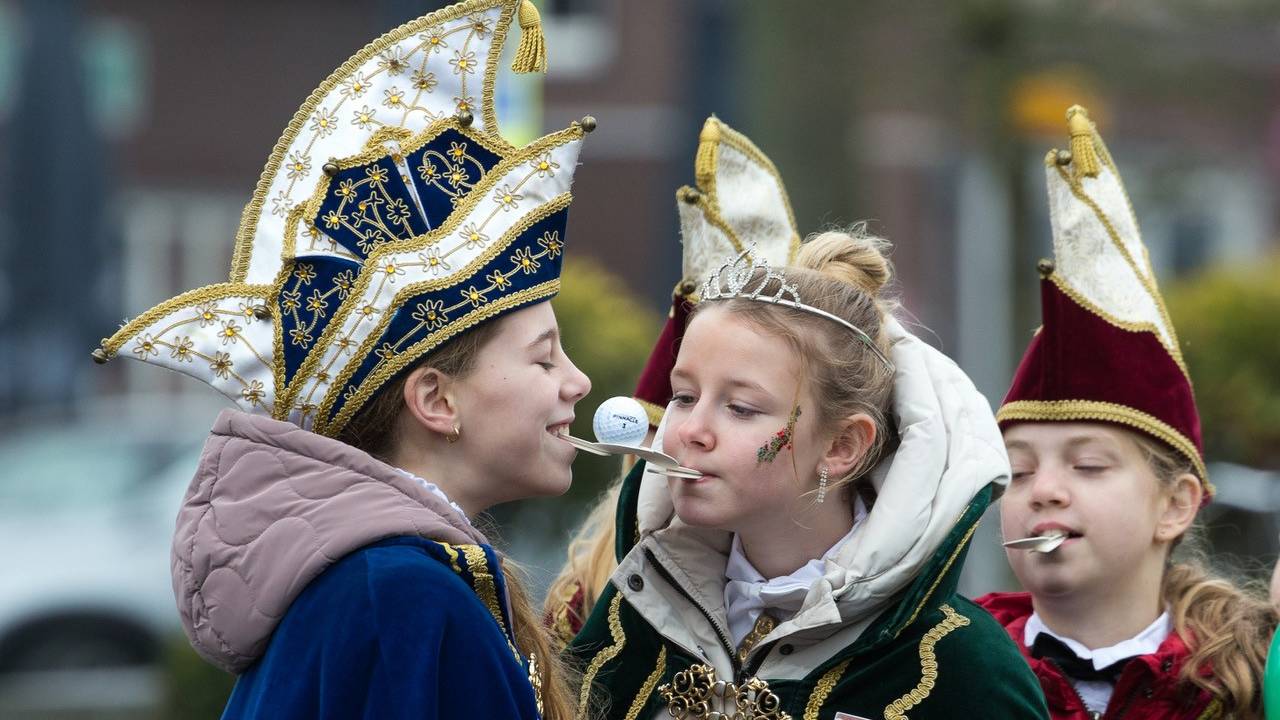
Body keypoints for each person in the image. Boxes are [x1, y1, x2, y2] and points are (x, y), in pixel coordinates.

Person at [93, 1, 597, 717]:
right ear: (436, 400)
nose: (577, 381)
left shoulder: (388, 580)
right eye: (545, 361)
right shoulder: (402, 597)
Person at [563, 117, 1047, 720]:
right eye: (684, 397)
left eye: (740, 407)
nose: (689, 431)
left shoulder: (962, 670)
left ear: (842, 446)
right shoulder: (626, 628)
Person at [975, 105, 1277, 720]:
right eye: (1020, 470)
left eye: (1088, 465)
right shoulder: (945, 669)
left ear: (1176, 504)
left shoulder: (1251, 680)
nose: (1046, 491)